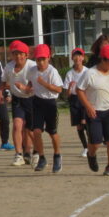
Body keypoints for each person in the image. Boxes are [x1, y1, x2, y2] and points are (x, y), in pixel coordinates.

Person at [77, 44, 109, 176]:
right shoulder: (90, 73)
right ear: (102, 59)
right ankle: (91, 155)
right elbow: (79, 90)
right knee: (96, 142)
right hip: (94, 112)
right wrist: (88, 106)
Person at [27, 44, 63, 173]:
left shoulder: (52, 71)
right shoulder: (32, 71)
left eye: (43, 59)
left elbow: (59, 89)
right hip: (37, 102)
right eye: (38, 59)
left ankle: (57, 155)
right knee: (36, 131)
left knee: (52, 133)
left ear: (48, 57)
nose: (41, 62)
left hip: (50, 103)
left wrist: (45, 84)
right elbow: (30, 84)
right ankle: (42, 157)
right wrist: (24, 88)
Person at [0, 40, 37, 166]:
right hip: (17, 100)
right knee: (17, 125)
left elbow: (36, 86)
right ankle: (19, 154)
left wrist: (25, 88)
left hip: (32, 99)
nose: (18, 56)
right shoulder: (9, 67)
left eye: (21, 54)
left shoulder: (32, 66)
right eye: (15, 54)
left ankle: (35, 152)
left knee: (30, 130)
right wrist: (3, 93)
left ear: (27, 55)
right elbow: (4, 83)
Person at [63, 47, 89, 157]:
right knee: (79, 126)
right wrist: (69, 87)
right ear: (72, 58)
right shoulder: (70, 73)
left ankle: (92, 144)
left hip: (85, 98)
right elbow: (66, 95)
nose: (77, 58)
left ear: (83, 58)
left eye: (79, 55)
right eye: (75, 55)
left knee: (85, 122)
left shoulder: (87, 71)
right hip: (74, 100)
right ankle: (86, 147)